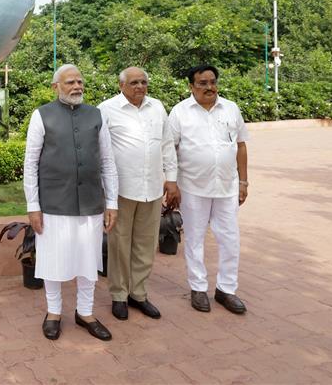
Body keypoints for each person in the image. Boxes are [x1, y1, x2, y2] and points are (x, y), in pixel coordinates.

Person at [24, 64, 119, 341]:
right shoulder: (41, 116)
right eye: (69, 82)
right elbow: (30, 163)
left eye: (79, 81)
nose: (76, 86)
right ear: (56, 87)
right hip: (53, 202)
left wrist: (111, 201)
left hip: (90, 202)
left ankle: (85, 312)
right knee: (52, 259)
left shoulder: (96, 115)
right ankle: (53, 312)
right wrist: (33, 205)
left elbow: (107, 161)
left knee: (89, 259)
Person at [98, 67, 179, 321]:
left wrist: (172, 180)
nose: (140, 87)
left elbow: (167, 144)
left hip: (152, 188)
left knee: (146, 245)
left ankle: (139, 294)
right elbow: (100, 150)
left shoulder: (157, 107)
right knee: (120, 244)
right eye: (134, 82)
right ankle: (119, 295)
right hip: (121, 189)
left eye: (143, 82)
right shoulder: (107, 109)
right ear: (121, 85)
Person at [168, 65, 249, 315]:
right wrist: (171, 183)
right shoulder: (180, 112)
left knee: (230, 239)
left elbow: (241, 146)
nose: (209, 87)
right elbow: (170, 150)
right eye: (202, 83)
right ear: (191, 86)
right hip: (192, 187)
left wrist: (244, 182)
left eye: (212, 82)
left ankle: (226, 289)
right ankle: (198, 288)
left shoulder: (231, 108)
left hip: (227, 186)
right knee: (194, 239)